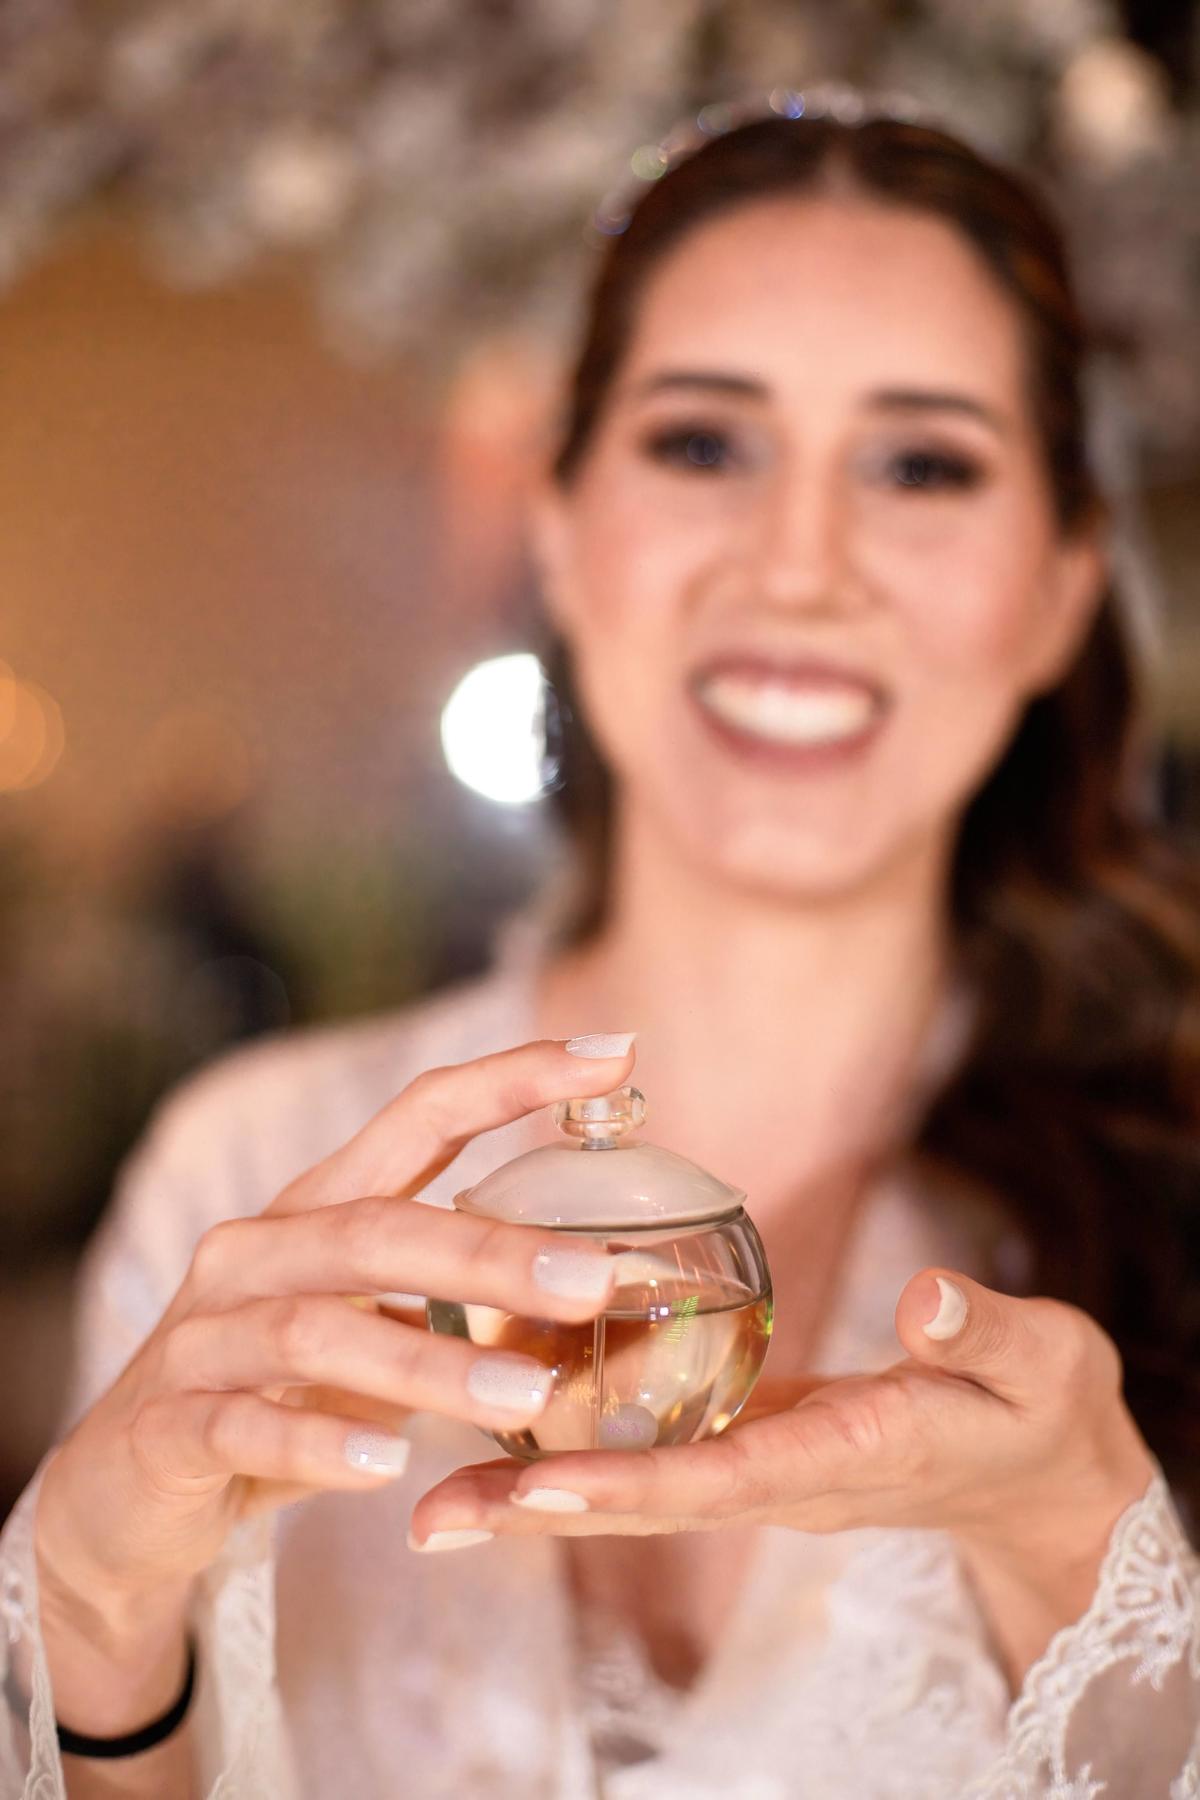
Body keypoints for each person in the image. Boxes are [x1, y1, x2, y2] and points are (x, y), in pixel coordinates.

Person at [3, 95, 1198, 1799]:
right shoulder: (254, 1176)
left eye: (923, 464)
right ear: (559, 528)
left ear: (1063, 589)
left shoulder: (1173, 1178)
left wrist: (1086, 1561)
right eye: (703, 445)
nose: (800, 566)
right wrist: (95, 1619)